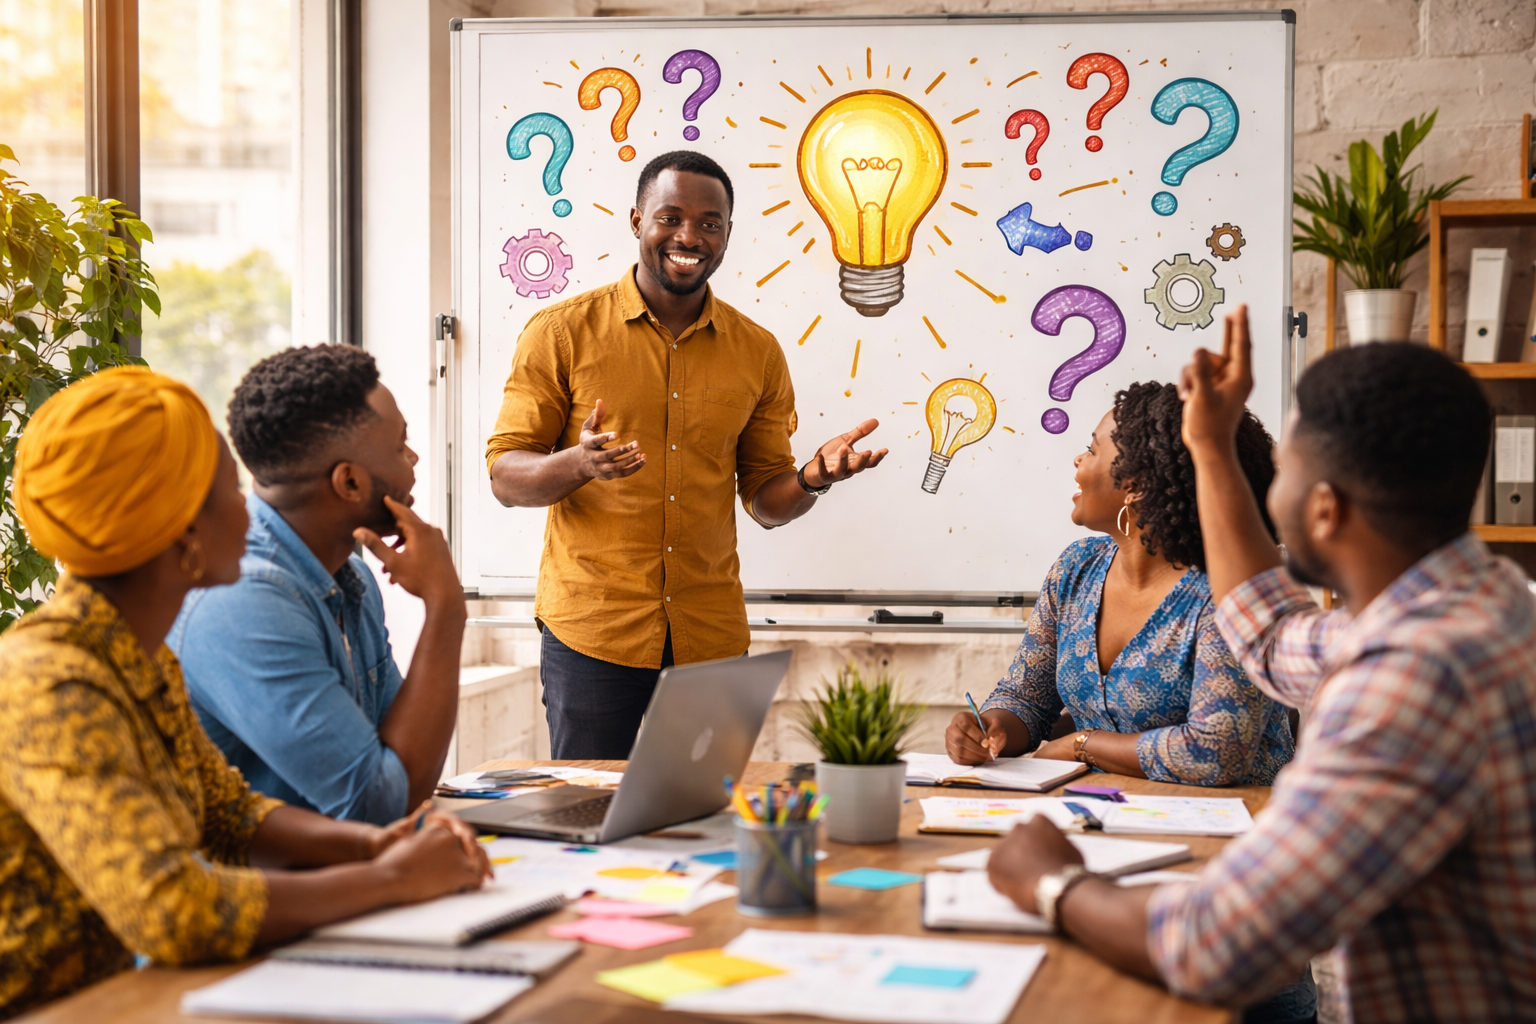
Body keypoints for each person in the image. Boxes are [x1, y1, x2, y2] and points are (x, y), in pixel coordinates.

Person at [986, 309, 1536, 1021]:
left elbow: (1215, 942)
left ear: (1323, 510)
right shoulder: (1484, 603)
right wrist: (1210, 445)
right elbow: (1271, 634)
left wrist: (1051, 883)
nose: (1267, 493)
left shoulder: (1410, 683)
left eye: (1283, 473)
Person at [0, 368, 488, 1019]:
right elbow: (173, 908)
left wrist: (372, 846)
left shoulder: (135, 654)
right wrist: (391, 878)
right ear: (184, 533)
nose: (251, 507)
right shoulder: (51, 683)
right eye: (230, 488)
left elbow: (227, 813)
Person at [486, 150, 887, 759]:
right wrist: (579, 463)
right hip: (594, 632)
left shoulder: (757, 351)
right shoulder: (561, 331)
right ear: (636, 220)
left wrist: (811, 478)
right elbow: (505, 476)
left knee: (706, 808)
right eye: (670, 217)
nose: (689, 236)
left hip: (711, 636)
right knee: (591, 805)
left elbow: (766, 502)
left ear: (727, 234)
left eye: (709, 223)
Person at [169, 345, 466, 825]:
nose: (413, 458)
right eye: (400, 446)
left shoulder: (352, 577)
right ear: (350, 483)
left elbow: (399, 762)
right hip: (257, 874)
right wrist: (446, 607)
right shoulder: (244, 600)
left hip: (349, 860)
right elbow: (379, 802)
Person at [945, 381, 1293, 787]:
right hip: (1101, 810)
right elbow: (1026, 699)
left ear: (1137, 486)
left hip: (1237, 815)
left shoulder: (1228, 591)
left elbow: (1214, 753)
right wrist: (988, 729)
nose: (1078, 460)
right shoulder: (1076, 569)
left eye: (1092, 450)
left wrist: (1083, 745)